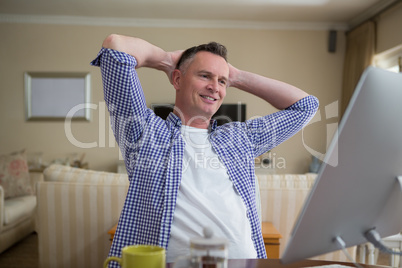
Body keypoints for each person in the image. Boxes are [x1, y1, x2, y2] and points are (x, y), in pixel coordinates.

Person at [91, 34, 319, 266]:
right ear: (177, 80)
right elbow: (115, 46)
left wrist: (236, 76)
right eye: (204, 76)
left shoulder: (239, 138)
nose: (214, 87)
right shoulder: (144, 132)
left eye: (222, 81)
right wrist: (168, 61)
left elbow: (306, 107)